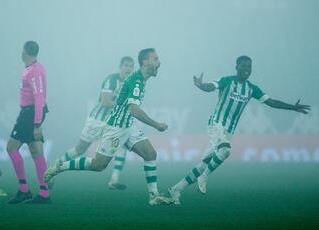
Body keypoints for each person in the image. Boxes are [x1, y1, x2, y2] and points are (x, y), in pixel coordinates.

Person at [168, 55, 311, 205]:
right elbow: (211, 87)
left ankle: (176, 189)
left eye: (249, 67)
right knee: (226, 151)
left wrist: (293, 107)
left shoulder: (251, 88)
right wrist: (200, 85)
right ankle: (204, 177)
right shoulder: (227, 80)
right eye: (243, 66)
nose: (246, 69)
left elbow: (271, 102)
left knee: (204, 164)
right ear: (237, 67)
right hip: (216, 124)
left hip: (228, 131)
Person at [45, 48, 172, 206]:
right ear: (145, 62)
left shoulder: (139, 79)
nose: (159, 62)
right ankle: (59, 167)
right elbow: (134, 110)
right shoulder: (136, 81)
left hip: (128, 126)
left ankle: (154, 195)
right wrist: (156, 124)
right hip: (116, 127)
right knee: (98, 165)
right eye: (156, 59)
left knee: (150, 154)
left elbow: (126, 106)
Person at [56, 56, 134, 190]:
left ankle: (114, 180)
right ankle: (55, 168)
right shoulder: (112, 80)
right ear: (120, 67)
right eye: (126, 65)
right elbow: (105, 101)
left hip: (112, 123)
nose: (128, 68)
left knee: (122, 146)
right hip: (97, 120)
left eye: (131, 66)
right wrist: (123, 106)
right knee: (80, 149)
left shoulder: (131, 84)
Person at [6, 41, 50, 204]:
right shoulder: (33, 69)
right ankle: (44, 192)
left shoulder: (35, 71)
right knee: (36, 150)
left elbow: (39, 98)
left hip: (30, 113)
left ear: (25, 52)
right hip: (30, 112)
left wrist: (37, 124)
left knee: (11, 148)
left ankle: (24, 190)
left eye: (22, 51)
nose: (21, 53)